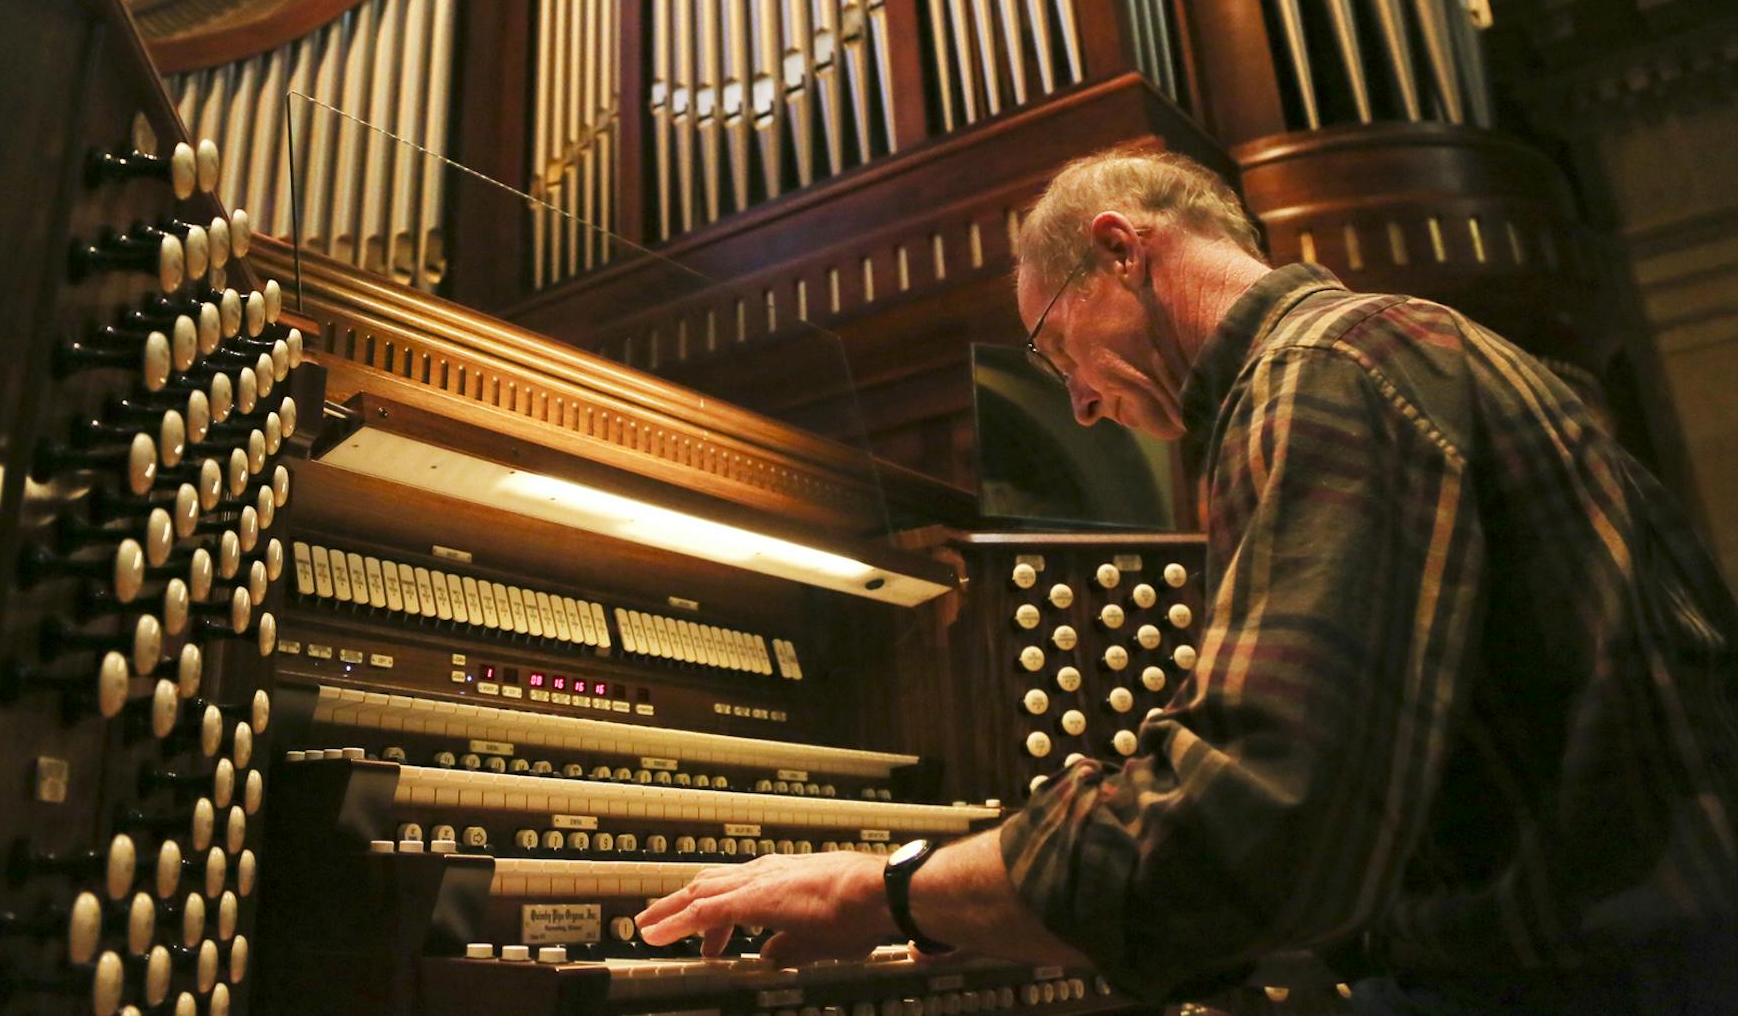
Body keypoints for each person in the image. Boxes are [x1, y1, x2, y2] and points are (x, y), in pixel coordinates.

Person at [637, 146, 1738, 1013]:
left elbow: (1247, 825)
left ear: (1119, 251)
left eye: (1052, 346)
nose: (1074, 403)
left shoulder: (1319, 373)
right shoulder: (1404, 347)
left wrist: (881, 890)